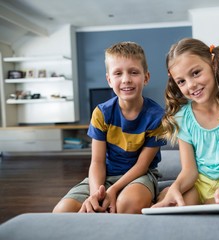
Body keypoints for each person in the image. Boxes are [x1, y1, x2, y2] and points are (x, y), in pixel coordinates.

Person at [53, 41, 166, 214]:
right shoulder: (101, 113)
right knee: (62, 211)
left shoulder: (157, 116)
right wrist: (95, 195)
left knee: (126, 205)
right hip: (104, 176)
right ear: (109, 80)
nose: (126, 79)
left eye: (134, 72)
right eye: (118, 73)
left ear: (146, 77)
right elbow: (97, 162)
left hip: (140, 176)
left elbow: (142, 166)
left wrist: (113, 190)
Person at [152, 38, 219, 214]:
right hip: (197, 186)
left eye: (195, 73)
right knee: (172, 204)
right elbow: (189, 171)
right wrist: (176, 187)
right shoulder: (183, 117)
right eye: (181, 81)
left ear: (214, 64)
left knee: (210, 213)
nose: (191, 85)